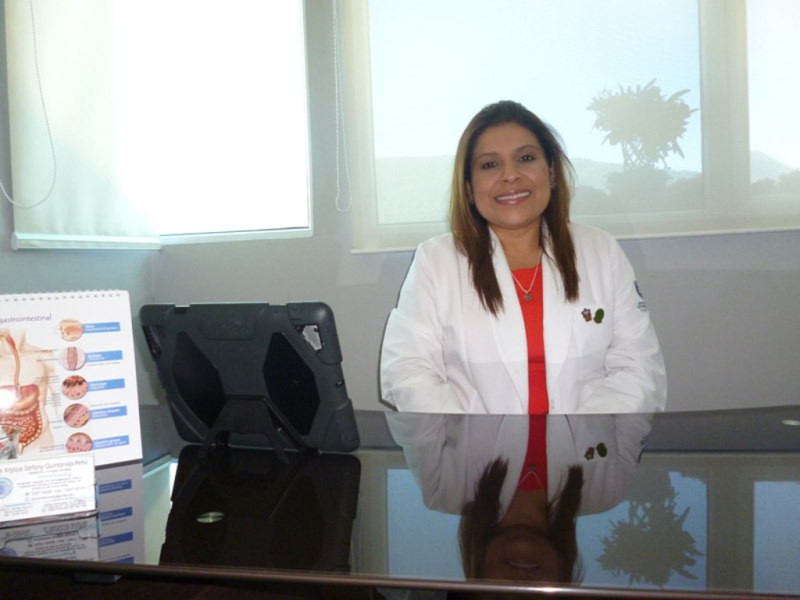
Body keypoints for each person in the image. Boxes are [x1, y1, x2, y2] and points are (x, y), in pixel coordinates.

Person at [380, 100, 666, 414]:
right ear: (469, 189)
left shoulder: (601, 250)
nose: (510, 176)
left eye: (526, 158)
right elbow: (408, 372)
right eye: (490, 165)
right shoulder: (435, 261)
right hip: (470, 445)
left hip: (588, 443)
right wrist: (472, 438)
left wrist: (581, 437)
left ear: (552, 172)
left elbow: (638, 370)